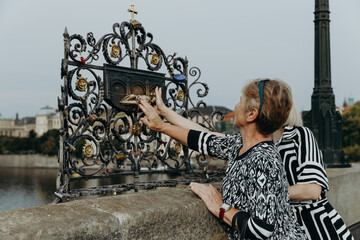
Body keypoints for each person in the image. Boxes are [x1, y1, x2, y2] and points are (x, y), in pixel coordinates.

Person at [139, 79, 307, 239]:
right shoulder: (240, 144)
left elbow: (261, 229)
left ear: (251, 114)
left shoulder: (264, 159)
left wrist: (220, 207)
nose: (236, 106)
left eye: (241, 102)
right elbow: (201, 140)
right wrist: (162, 122)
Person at [272, 104, 354, 240]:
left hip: (318, 226)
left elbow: (312, 190)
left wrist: (265, 195)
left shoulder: (299, 135)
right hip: (285, 227)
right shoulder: (259, 144)